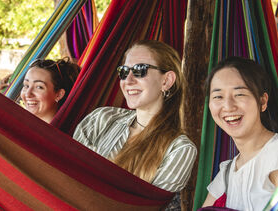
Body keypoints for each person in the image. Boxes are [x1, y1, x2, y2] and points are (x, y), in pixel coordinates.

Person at [73, 40, 197, 194]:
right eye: (124, 71)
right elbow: (69, 171)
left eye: (140, 70)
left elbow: (146, 206)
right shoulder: (101, 118)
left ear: (166, 81)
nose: (128, 80)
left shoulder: (179, 149)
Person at [201, 57, 278, 211]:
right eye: (218, 97)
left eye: (239, 94)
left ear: (262, 102)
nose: (228, 106)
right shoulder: (227, 172)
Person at [20, 57, 80, 123]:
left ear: (59, 94)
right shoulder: (19, 126)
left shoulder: (67, 131)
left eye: (39, 87)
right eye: (26, 85)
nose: (28, 94)